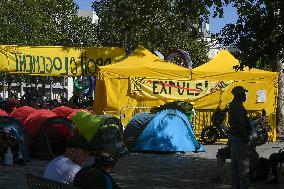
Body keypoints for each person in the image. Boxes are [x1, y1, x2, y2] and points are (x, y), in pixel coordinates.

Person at [228, 86, 251, 189]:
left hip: (235, 136)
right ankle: (243, 186)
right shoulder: (237, 106)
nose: (245, 95)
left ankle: (236, 185)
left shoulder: (234, 105)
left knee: (236, 163)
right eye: (243, 93)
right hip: (239, 137)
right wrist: (245, 136)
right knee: (243, 164)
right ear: (239, 95)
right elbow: (240, 123)